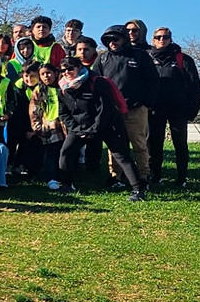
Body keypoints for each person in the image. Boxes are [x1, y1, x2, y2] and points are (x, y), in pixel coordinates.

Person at [56, 58, 145, 201]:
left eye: (70, 68)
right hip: (80, 128)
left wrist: (93, 130)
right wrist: (78, 130)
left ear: (79, 67)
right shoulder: (62, 88)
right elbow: (64, 113)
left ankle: (138, 190)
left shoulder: (97, 82)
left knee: (121, 155)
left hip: (108, 125)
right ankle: (66, 185)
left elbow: (105, 109)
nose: (66, 72)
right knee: (66, 152)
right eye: (63, 70)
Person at [91, 25, 159, 184]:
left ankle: (143, 176)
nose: (112, 42)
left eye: (116, 39)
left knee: (139, 144)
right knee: (114, 146)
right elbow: (95, 82)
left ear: (124, 39)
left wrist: (146, 104)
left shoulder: (140, 56)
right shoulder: (102, 58)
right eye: (108, 40)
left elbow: (153, 81)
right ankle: (116, 176)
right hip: (112, 110)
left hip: (135, 108)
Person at [147, 26, 200, 190]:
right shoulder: (147, 58)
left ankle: (182, 178)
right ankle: (155, 176)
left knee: (180, 144)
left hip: (178, 110)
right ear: (153, 40)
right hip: (155, 109)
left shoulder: (182, 59)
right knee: (154, 144)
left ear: (171, 39)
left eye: (165, 37)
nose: (162, 40)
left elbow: (194, 86)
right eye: (158, 37)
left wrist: (193, 110)